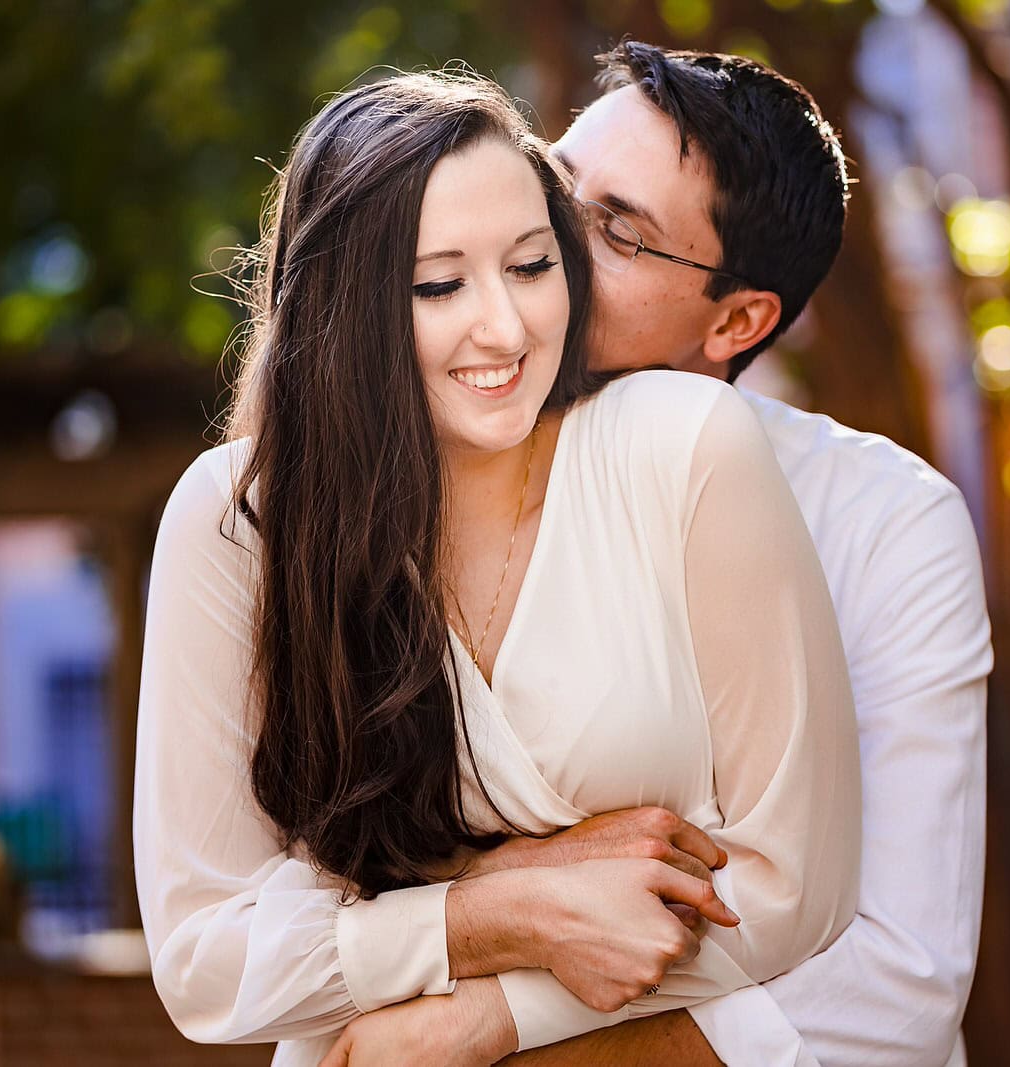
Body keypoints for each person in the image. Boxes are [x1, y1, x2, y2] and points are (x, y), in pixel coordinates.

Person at [132, 69, 862, 1067]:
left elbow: (793, 885)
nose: (508, 328)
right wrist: (496, 911)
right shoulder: (236, 519)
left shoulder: (686, 446)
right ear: (343, 304)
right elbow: (201, 958)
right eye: (440, 284)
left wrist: (486, 1014)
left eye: (530, 265)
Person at [485, 43, 995, 1067]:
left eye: (616, 231)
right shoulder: (426, 468)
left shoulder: (885, 523)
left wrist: (494, 1030)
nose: (547, 240)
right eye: (553, 183)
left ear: (738, 319)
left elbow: (898, 980)